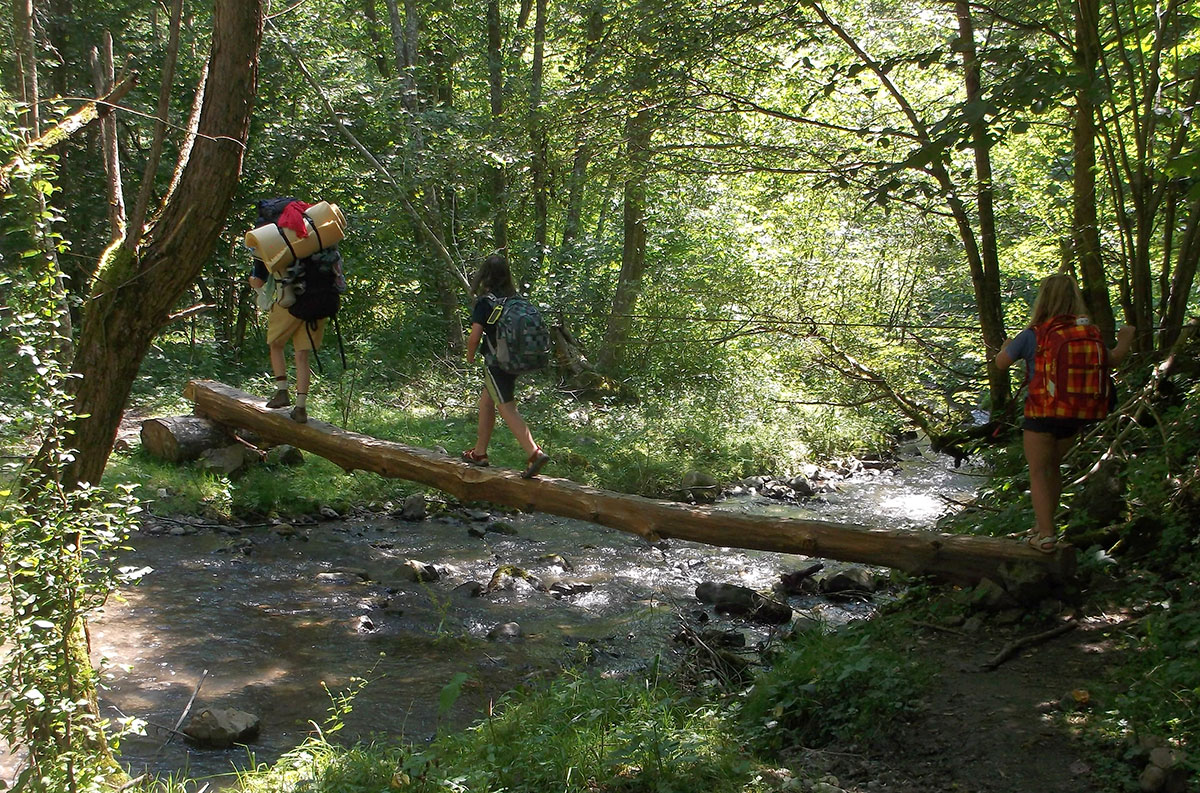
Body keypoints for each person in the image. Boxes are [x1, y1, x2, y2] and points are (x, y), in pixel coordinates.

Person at [995, 273, 1135, 553]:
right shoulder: (1088, 332)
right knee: (1052, 469)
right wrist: (1125, 339)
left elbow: (1001, 363)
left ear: (1043, 299)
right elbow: (1114, 360)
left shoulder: (1033, 334)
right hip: (1077, 414)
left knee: (1038, 471)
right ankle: (1044, 525)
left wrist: (1004, 346)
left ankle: (1046, 535)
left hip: (1042, 413)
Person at [462, 254, 551, 478]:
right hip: (511, 360)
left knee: (506, 407)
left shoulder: (485, 302)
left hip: (496, 363)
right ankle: (480, 453)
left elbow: (474, 337)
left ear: (484, 275)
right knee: (487, 402)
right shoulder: (514, 299)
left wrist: (469, 356)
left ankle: (534, 453)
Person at [248, 257, 326, 424]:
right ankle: (300, 408)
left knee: (275, 345)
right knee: (302, 355)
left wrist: (252, 278)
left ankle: (282, 391)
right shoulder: (314, 243)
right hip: (318, 303)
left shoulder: (270, 245)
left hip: (290, 303)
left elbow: (258, 281)